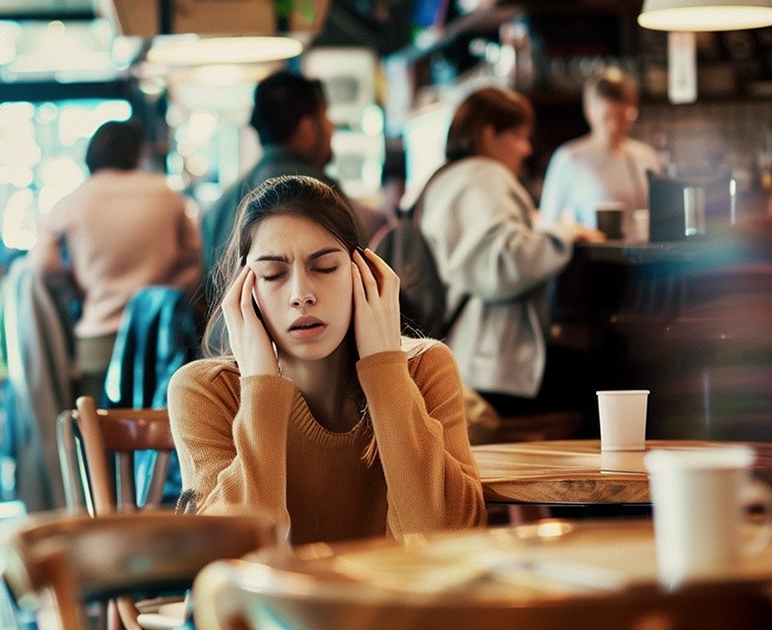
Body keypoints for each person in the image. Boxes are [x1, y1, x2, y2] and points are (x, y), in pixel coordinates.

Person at [169, 175, 485, 545]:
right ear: (245, 291)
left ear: (364, 274)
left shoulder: (423, 367)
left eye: (325, 268)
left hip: (394, 600)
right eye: (273, 275)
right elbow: (233, 559)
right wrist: (260, 387)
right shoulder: (205, 391)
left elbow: (446, 545)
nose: (301, 294)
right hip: (273, 605)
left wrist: (384, 369)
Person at [418, 87, 601, 418]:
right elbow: (503, 263)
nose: (527, 149)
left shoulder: (442, 179)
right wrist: (564, 234)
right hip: (494, 362)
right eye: (519, 136)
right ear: (488, 135)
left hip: (459, 354)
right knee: (597, 390)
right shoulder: (487, 176)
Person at [30, 120, 203, 400]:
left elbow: (42, 266)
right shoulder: (167, 195)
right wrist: (164, 288)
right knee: (159, 429)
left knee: (98, 433)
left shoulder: (73, 200)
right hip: (159, 334)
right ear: (137, 153)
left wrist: (76, 286)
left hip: (99, 334)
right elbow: (195, 260)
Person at [199, 70, 341, 303]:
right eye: (326, 117)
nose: (332, 126)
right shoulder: (325, 198)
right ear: (307, 127)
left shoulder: (219, 208)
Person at [539, 67, 664, 229]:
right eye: (608, 117)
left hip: (642, 252)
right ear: (590, 112)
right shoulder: (569, 158)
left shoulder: (646, 156)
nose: (614, 126)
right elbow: (548, 222)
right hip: (594, 253)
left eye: (622, 117)